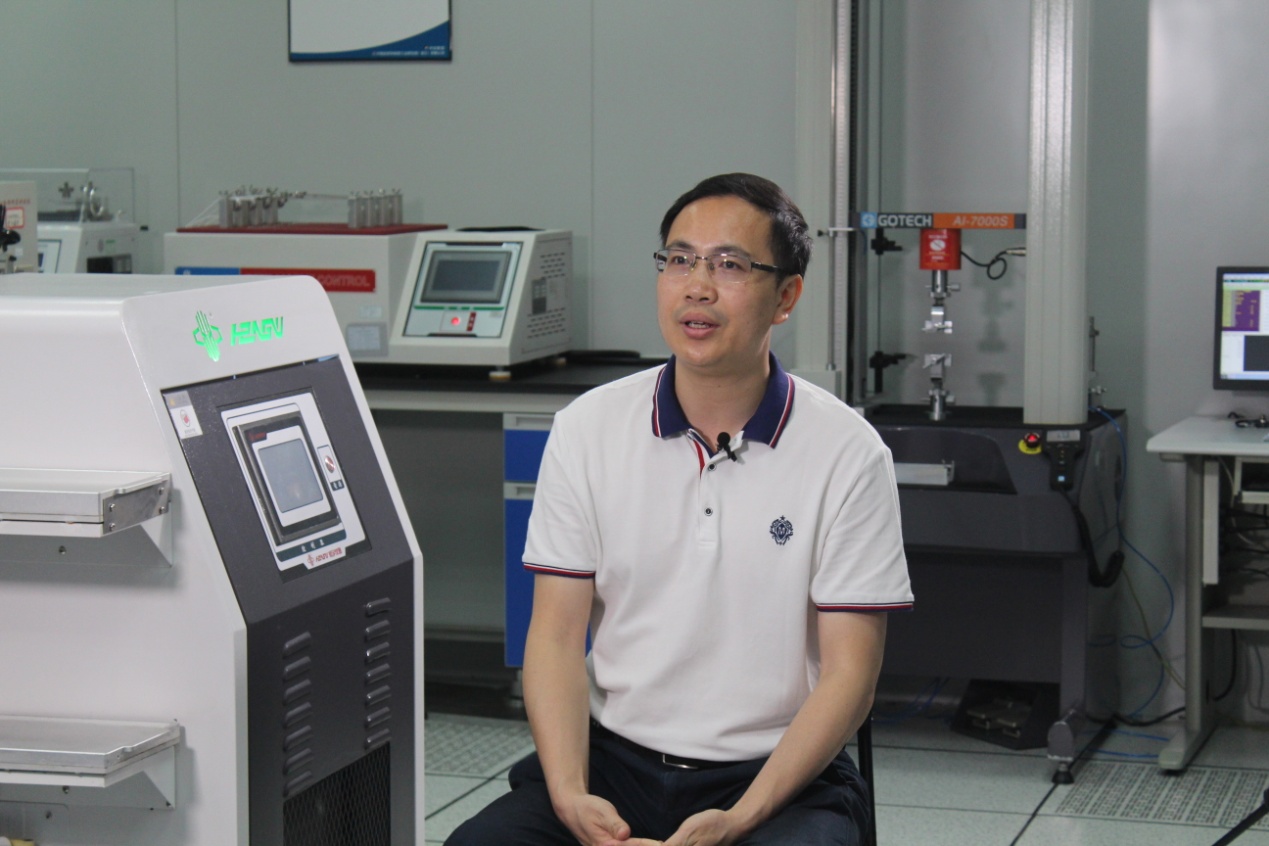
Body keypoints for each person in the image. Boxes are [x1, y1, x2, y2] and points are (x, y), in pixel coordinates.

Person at [446, 173, 912, 846]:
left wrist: (743, 817)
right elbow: (554, 636)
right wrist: (571, 796)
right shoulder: (588, 428)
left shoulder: (847, 452)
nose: (697, 286)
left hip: (775, 775)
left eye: (730, 265)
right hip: (611, 759)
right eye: (679, 259)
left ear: (786, 297)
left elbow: (850, 674)